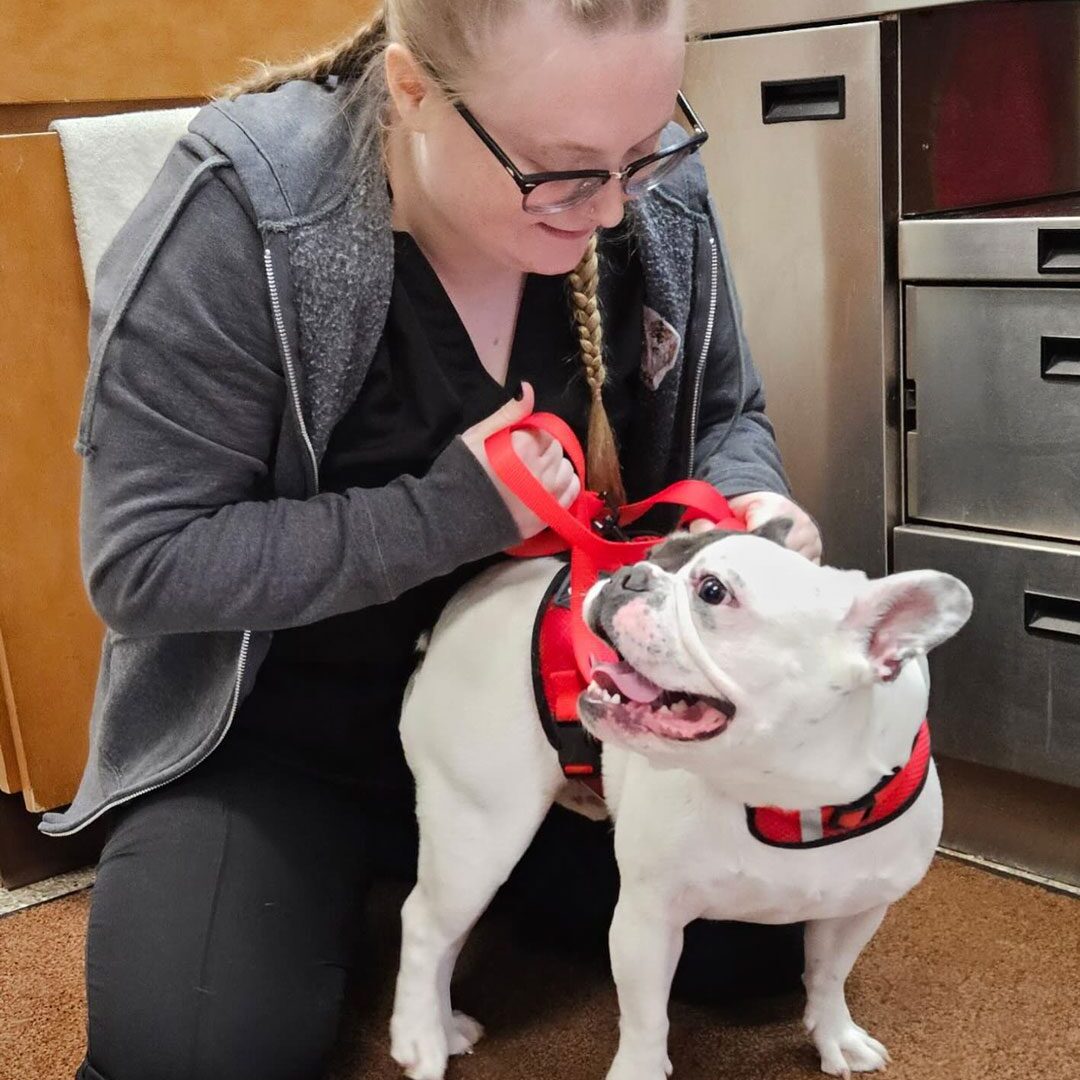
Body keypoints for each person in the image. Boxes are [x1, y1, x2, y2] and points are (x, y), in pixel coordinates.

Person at [43, 1, 822, 1077]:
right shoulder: (249, 209)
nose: (608, 213)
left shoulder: (645, 190)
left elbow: (725, 413)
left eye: (642, 154)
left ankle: (447, 883)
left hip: (559, 730)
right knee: (190, 1052)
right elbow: (145, 564)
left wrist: (755, 516)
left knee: (766, 940)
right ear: (413, 92)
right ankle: (340, 886)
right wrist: (442, 515)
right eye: (560, 171)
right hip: (286, 742)